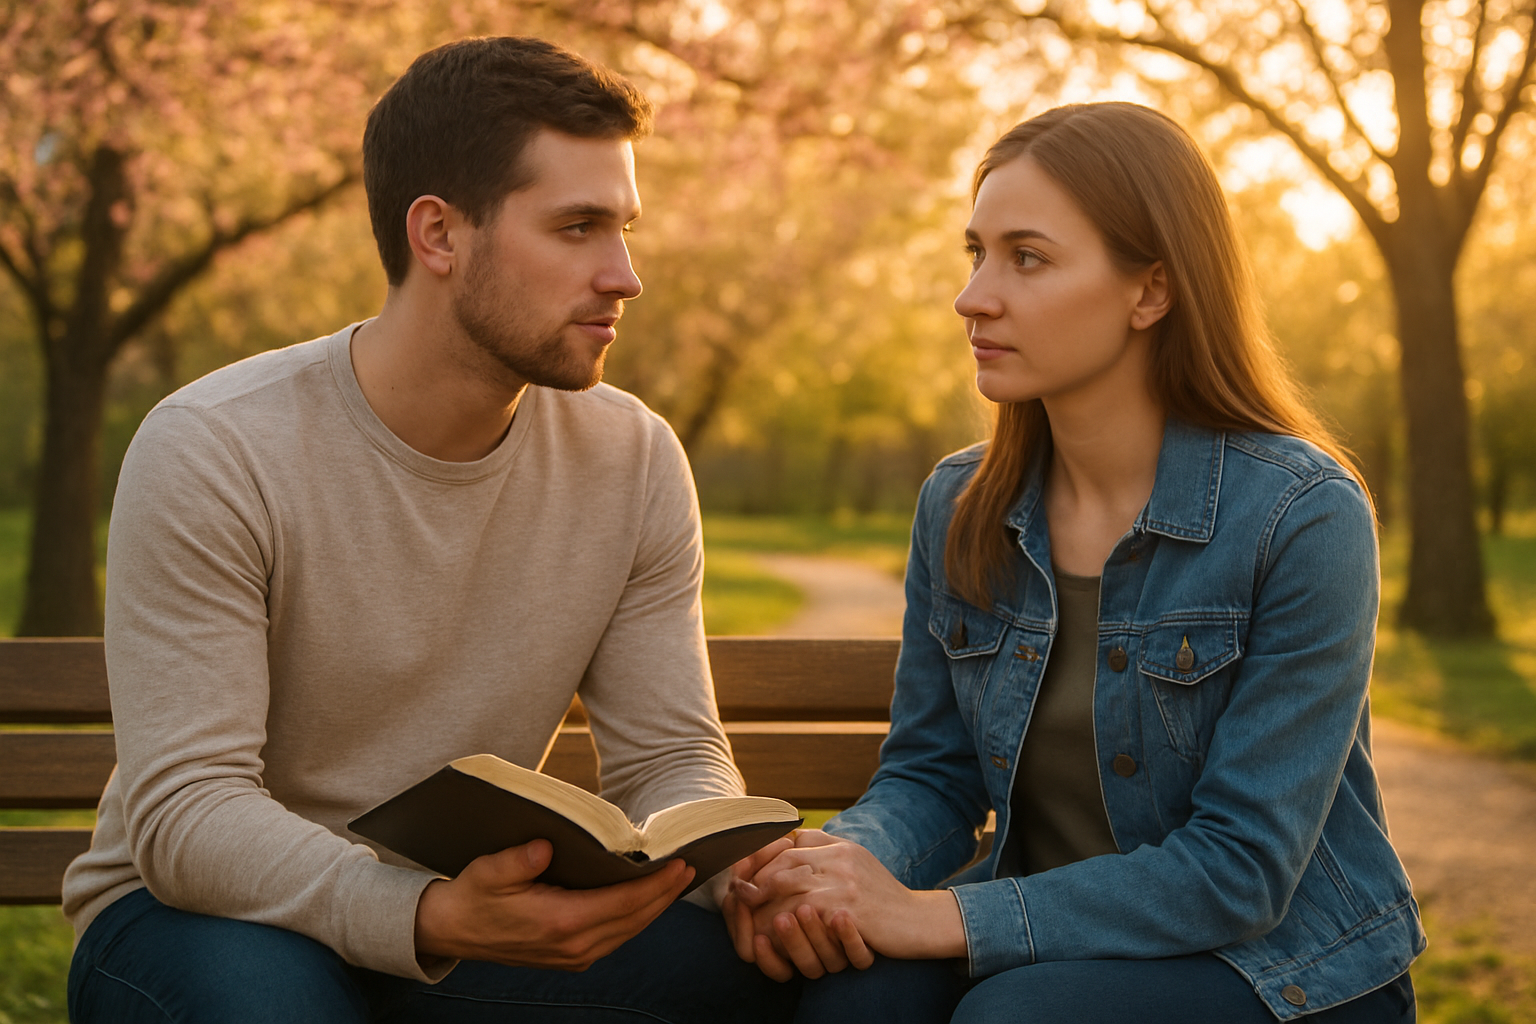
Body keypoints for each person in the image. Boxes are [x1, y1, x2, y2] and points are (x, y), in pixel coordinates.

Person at [63, 36, 796, 1023]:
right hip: (202, 917)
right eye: (578, 228)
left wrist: (727, 864)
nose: (625, 275)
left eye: (623, 229)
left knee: (803, 982)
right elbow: (190, 812)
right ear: (439, 234)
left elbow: (670, 757)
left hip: (469, 915)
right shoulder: (214, 446)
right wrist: (422, 914)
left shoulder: (632, 457)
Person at [722, 102, 1424, 1023]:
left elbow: (1241, 869)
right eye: (976, 253)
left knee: (1014, 1017)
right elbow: (933, 777)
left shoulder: (1301, 515)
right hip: (1045, 945)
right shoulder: (960, 504)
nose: (974, 296)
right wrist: (831, 871)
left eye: (1027, 257)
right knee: (854, 999)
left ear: (1151, 291)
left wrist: (941, 918)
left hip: (1281, 967)